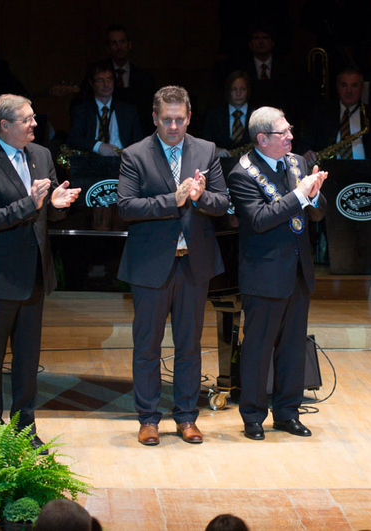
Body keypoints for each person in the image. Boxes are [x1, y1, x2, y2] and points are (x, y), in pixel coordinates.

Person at [0, 94, 80, 451]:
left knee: (28, 361)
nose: (35, 123)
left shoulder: (41, 155)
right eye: (27, 119)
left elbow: (49, 212)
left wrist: (57, 205)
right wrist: (30, 203)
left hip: (34, 276)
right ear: (5, 125)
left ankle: (24, 429)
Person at [117, 86, 229, 446]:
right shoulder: (135, 154)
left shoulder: (206, 150)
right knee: (147, 347)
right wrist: (173, 199)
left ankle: (186, 417)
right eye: (167, 120)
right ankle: (148, 419)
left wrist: (201, 196)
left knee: (189, 346)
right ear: (155, 118)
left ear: (189, 117)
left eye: (180, 119)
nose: (174, 126)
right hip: (151, 266)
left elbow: (223, 202)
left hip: (193, 265)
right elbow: (126, 207)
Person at [226, 106, 327, 440]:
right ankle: (253, 416)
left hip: (298, 270)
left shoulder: (296, 163)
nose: (290, 137)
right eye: (283, 133)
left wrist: (314, 195)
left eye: (290, 130)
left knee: (293, 348)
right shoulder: (242, 174)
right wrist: (301, 194)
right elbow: (259, 220)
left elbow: (317, 212)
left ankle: (287, 413)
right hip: (264, 274)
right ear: (262, 139)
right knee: (258, 349)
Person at [298, 68, 371, 164]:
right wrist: (306, 154)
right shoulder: (321, 113)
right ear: (337, 87)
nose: (349, 91)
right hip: (329, 170)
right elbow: (303, 146)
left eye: (354, 85)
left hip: (366, 170)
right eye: (344, 85)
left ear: (362, 88)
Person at [67, 61, 143, 156]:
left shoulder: (129, 111)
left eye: (109, 79)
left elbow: (139, 142)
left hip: (122, 160)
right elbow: (73, 139)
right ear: (91, 83)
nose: (106, 84)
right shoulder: (81, 110)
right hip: (91, 161)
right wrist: (98, 146)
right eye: (100, 80)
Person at [104, 24, 157, 134]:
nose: (119, 47)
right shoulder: (98, 76)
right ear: (108, 48)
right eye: (114, 43)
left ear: (129, 45)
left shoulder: (145, 78)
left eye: (122, 42)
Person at [202, 70, 253, 156]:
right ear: (228, 91)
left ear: (248, 90)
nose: (238, 94)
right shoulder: (214, 115)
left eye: (242, 89)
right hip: (220, 162)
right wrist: (216, 150)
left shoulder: (258, 114)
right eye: (234, 89)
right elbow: (204, 143)